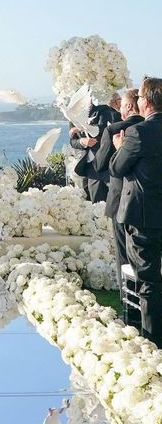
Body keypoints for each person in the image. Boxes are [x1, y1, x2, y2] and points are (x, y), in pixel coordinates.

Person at [110, 76, 162, 347]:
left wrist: (119, 148)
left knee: (148, 283)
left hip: (144, 218)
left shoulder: (139, 133)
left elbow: (117, 168)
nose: (138, 102)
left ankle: (153, 343)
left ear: (148, 101)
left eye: (140, 98)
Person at [94, 88, 143, 296]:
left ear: (129, 106)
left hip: (120, 201)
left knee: (124, 256)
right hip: (147, 200)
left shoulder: (114, 129)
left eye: (121, 105)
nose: (119, 109)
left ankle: (128, 303)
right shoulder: (151, 128)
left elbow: (99, 165)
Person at [71, 100, 120, 202]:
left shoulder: (102, 110)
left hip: (105, 161)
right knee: (95, 201)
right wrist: (82, 141)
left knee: (112, 201)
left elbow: (102, 130)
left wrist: (79, 129)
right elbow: (72, 141)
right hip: (90, 165)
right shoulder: (73, 116)